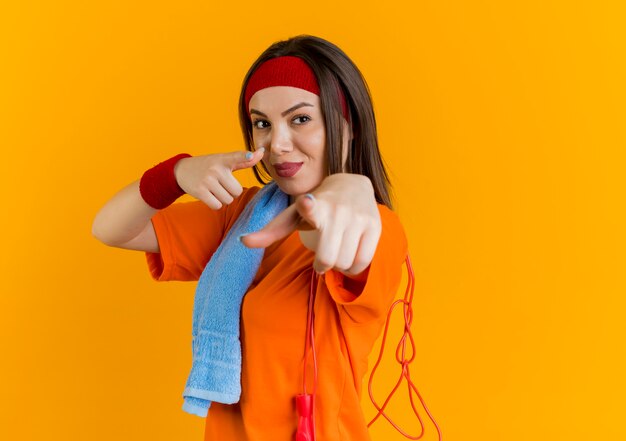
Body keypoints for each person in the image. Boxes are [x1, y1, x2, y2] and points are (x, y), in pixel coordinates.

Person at [92, 34, 408, 441]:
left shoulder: (375, 227)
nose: (276, 144)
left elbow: (341, 242)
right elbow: (110, 228)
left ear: (346, 128)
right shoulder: (238, 217)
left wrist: (352, 191)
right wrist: (174, 174)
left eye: (300, 119)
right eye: (262, 123)